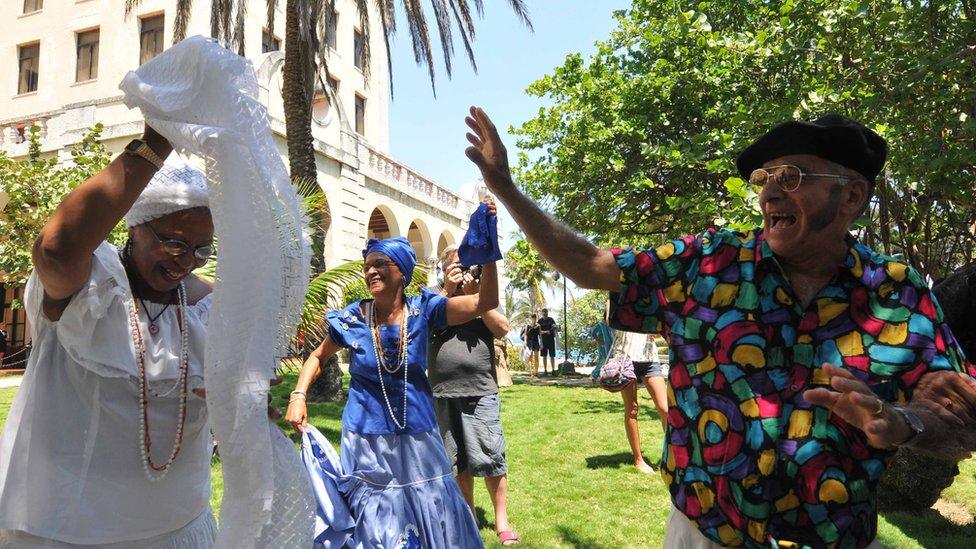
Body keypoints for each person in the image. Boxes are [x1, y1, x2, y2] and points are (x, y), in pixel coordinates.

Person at [463, 106, 976, 548]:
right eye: (765, 178)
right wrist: (505, 187)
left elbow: (961, 422)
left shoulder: (897, 293)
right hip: (705, 533)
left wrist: (903, 423)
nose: (771, 191)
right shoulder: (708, 263)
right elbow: (590, 264)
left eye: (792, 177)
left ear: (852, 197)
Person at [0, 127, 220, 546]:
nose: (186, 261)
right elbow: (56, 249)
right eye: (173, 242)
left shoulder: (209, 306)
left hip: (178, 528)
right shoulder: (88, 289)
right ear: (134, 227)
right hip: (68, 531)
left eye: (200, 249)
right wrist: (157, 141)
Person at [285, 231, 500, 548]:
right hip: (365, 438)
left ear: (402, 271)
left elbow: (485, 302)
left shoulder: (425, 310)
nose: (371, 271)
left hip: (418, 435)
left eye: (380, 264)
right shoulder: (354, 318)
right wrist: (298, 395)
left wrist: (488, 255)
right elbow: (317, 356)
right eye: (367, 265)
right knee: (377, 520)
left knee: (432, 506)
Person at [430, 245, 519, 546]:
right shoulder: (432, 295)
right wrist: (447, 290)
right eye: (454, 265)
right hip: (443, 391)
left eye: (465, 266)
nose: (461, 270)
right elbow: (421, 326)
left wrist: (479, 298)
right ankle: (467, 514)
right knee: (456, 460)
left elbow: (503, 329)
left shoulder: (485, 295)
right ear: (443, 269)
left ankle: (501, 519)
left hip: (480, 389)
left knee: (491, 456)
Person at [611, 330, 669, 474]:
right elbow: (609, 320)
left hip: (650, 357)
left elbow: (660, 327)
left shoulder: (648, 307)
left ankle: (673, 456)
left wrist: (657, 331)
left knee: (666, 409)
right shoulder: (617, 306)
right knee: (632, 408)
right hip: (625, 357)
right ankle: (638, 459)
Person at [537, 308, 558, 375]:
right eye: (544, 313)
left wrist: (551, 331)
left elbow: (554, 327)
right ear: (542, 313)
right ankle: (545, 370)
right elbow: (538, 330)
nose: (545, 314)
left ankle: (553, 370)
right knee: (544, 356)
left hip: (551, 340)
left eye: (546, 313)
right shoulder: (540, 321)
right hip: (543, 340)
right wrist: (545, 332)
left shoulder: (551, 319)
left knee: (552, 355)